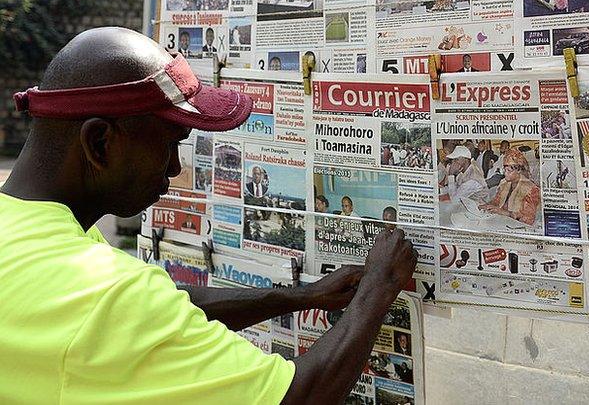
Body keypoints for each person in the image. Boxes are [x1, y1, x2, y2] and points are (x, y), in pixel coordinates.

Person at [0, 27, 417, 403]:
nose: (175, 168)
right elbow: (298, 398)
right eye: (169, 143)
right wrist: (379, 287)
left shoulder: (39, 241)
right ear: (100, 143)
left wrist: (301, 297)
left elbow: (169, 311)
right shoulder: (106, 296)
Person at [480, 148, 542, 225]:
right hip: (500, 222)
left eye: (509, 171)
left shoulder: (531, 189)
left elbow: (528, 219)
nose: (505, 174)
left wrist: (506, 213)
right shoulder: (504, 184)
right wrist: (486, 205)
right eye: (504, 170)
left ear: (519, 170)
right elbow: (496, 202)